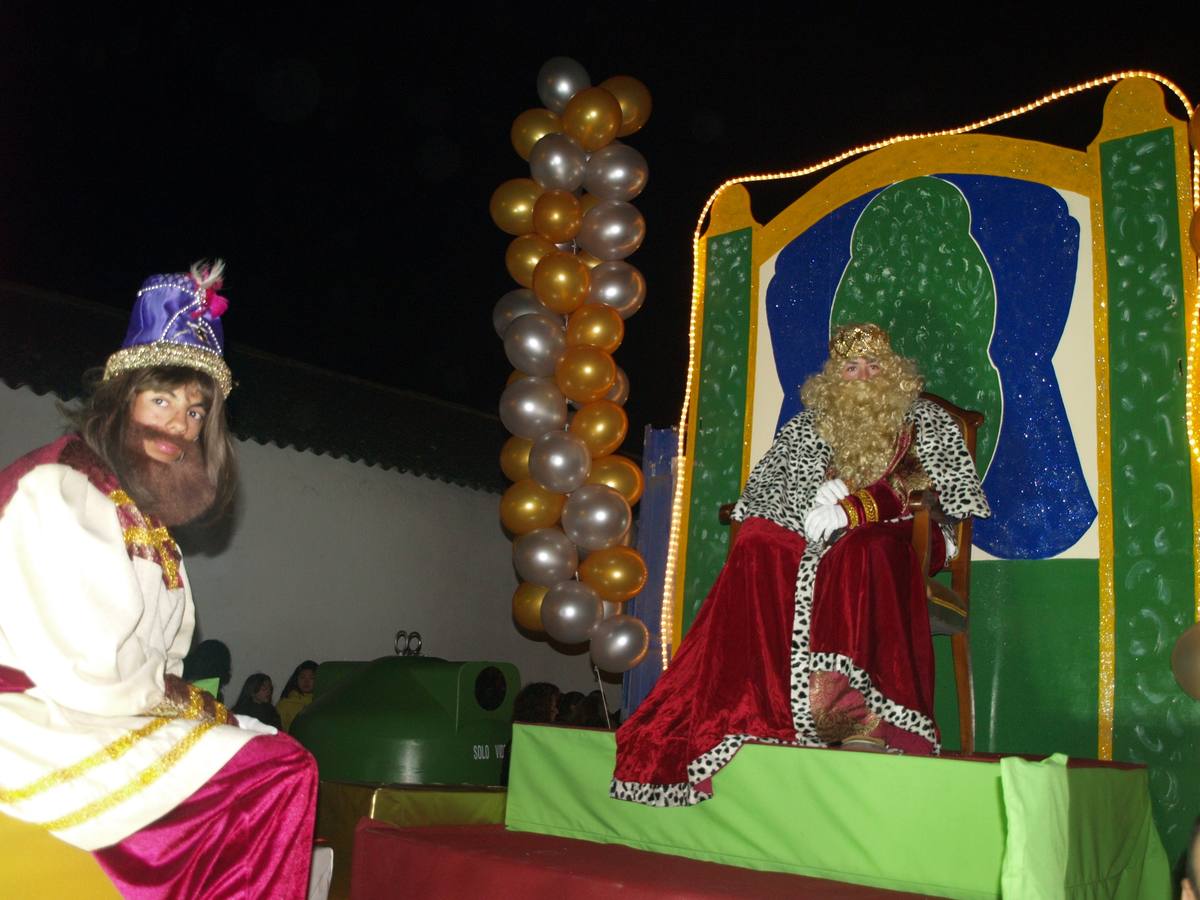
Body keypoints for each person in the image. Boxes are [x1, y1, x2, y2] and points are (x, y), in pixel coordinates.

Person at [0, 261, 318, 896]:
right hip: (36, 717)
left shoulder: (142, 517)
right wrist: (190, 705)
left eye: (197, 411)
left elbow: (160, 656)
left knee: (267, 743)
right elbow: (87, 668)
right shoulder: (61, 488)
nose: (180, 426)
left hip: (101, 707)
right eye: (163, 400)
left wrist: (193, 704)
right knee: (278, 768)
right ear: (123, 398)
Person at [611, 323, 990, 807]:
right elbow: (772, 493)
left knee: (861, 550)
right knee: (758, 541)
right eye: (851, 368)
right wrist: (814, 502)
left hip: (904, 534)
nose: (862, 376)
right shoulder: (810, 426)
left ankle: (861, 721)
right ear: (835, 377)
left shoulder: (923, 420)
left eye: (873, 365)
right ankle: (757, 709)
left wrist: (853, 506)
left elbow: (923, 486)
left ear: (892, 371)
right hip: (826, 538)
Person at [278, 659, 319, 732]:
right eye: (302, 677)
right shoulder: (285, 704)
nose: (306, 681)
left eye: (312, 678)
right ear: (296, 679)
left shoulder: (322, 701)